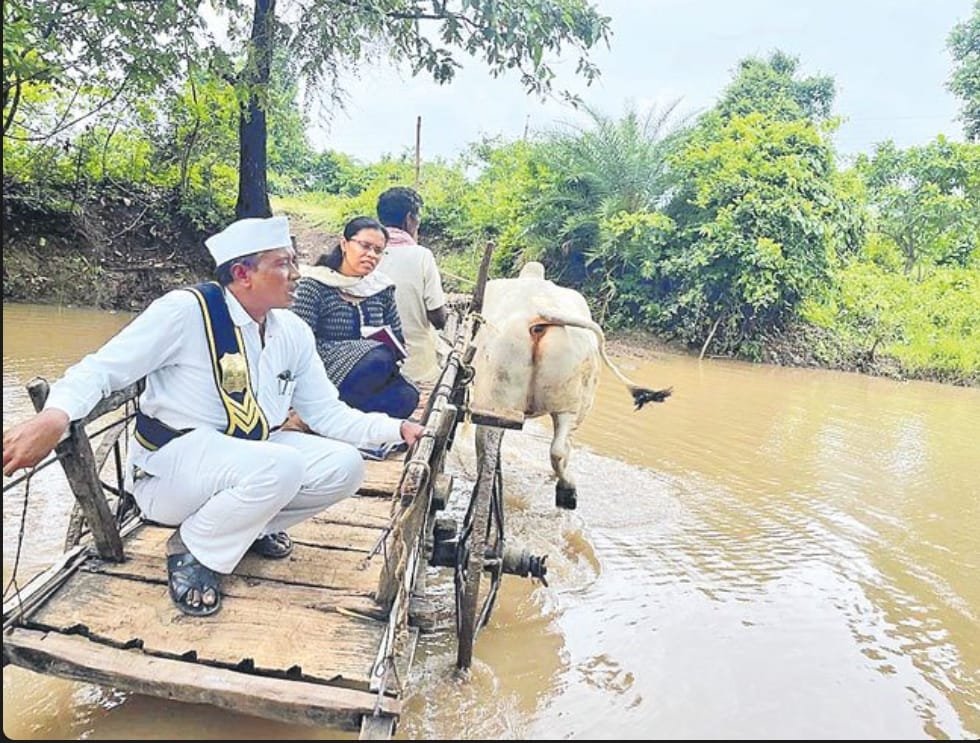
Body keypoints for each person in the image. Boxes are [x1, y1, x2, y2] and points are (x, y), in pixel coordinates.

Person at [1, 215, 424, 618]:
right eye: (283, 264)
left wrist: (396, 429)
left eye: (294, 262)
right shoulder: (186, 312)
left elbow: (327, 412)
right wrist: (54, 416)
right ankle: (194, 547)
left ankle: (247, 527)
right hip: (171, 470)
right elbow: (103, 368)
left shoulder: (291, 331)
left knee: (345, 466)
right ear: (243, 275)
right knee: (282, 464)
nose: (296, 274)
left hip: (251, 459)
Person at [291, 216, 419, 418]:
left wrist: (391, 349)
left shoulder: (381, 289)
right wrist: (359, 352)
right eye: (365, 246)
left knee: (407, 395)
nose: (371, 255)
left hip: (373, 371)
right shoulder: (314, 284)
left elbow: (397, 337)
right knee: (379, 356)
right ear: (344, 244)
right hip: (321, 370)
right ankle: (319, 413)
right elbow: (298, 341)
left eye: (378, 251)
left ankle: (329, 418)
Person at [375, 186, 448, 384]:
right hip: (416, 369)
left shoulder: (364, 256)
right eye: (418, 218)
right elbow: (438, 318)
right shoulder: (422, 256)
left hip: (370, 364)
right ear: (409, 219)